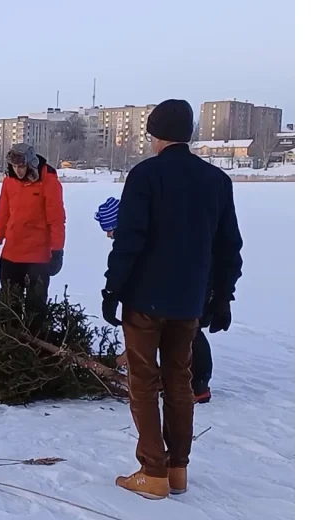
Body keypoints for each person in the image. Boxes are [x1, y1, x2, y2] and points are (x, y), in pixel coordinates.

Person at [101, 98, 243, 499]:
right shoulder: (216, 180)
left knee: (144, 382)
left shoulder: (145, 175)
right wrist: (222, 296)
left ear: (156, 134)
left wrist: (113, 288)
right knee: (180, 380)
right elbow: (228, 246)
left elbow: (130, 240)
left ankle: (153, 472)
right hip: (190, 299)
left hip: (145, 298)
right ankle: (178, 469)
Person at [99, 196, 214, 404]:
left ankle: (198, 384)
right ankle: (172, 379)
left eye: (110, 229)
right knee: (171, 332)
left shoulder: (143, 240)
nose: (108, 235)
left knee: (188, 333)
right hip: (174, 289)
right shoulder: (146, 231)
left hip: (185, 287)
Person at [0, 143, 66, 331]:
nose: (18, 170)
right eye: (14, 166)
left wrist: (57, 251)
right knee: (9, 306)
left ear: (30, 163)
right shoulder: (8, 181)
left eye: (21, 166)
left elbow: (56, 220)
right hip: (11, 255)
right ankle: (10, 341)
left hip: (37, 258)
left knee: (35, 309)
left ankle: (34, 342)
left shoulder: (49, 181)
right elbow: (3, 215)